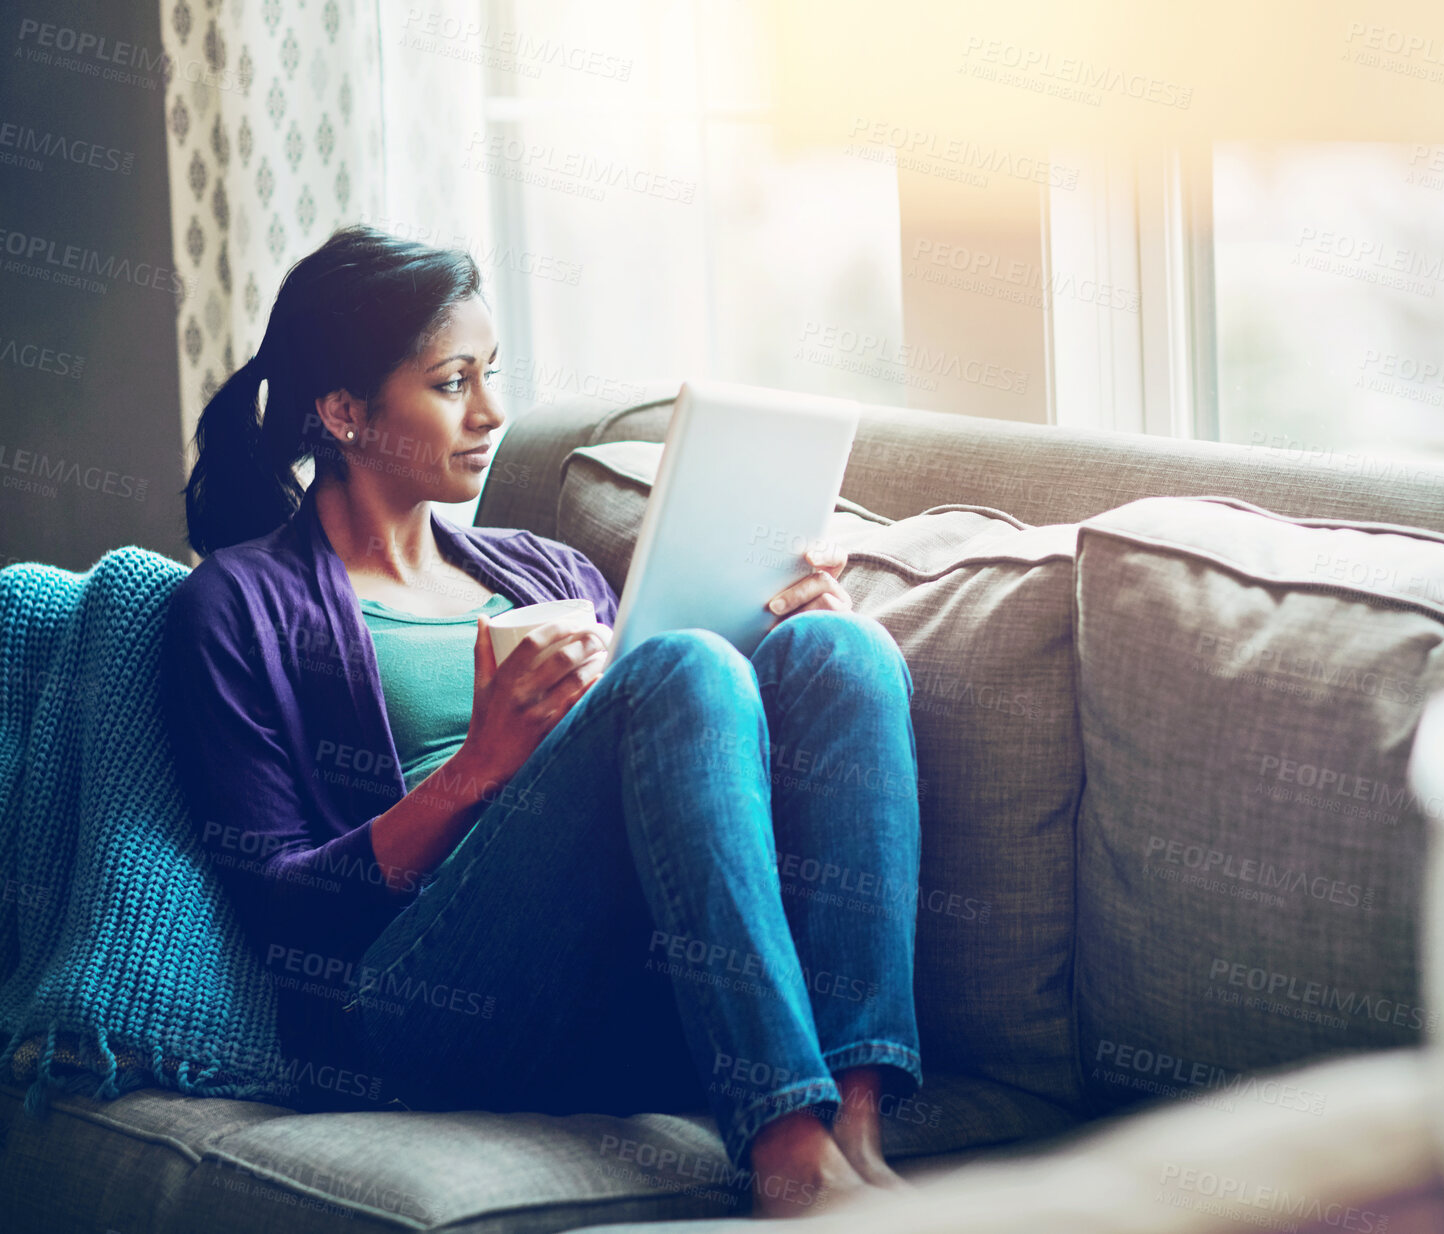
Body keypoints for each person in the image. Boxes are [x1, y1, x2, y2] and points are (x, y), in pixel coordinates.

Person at [159, 224, 924, 1218]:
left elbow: (676, 776)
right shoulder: (236, 605)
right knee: (681, 670)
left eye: (492, 374)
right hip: (414, 1001)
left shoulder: (546, 570)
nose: (492, 411)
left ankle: (852, 1123)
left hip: (622, 977)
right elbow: (284, 907)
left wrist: (772, 631)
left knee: (842, 651)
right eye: (452, 382)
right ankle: (784, 1148)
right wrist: (480, 765)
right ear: (344, 412)